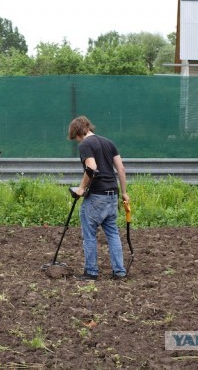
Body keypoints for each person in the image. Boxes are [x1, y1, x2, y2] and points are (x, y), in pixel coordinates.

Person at [67, 115, 130, 281]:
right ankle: (119, 271)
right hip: (112, 195)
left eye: (76, 138)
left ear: (78, 133)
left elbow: (92, 168)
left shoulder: (86, 144)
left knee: (89, 234)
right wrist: (124, 193)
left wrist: (81, 188)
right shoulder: (108, 143)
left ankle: (91, 272)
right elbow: (121, 169)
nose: (78, 141)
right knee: (113, 233)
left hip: (97, 196)